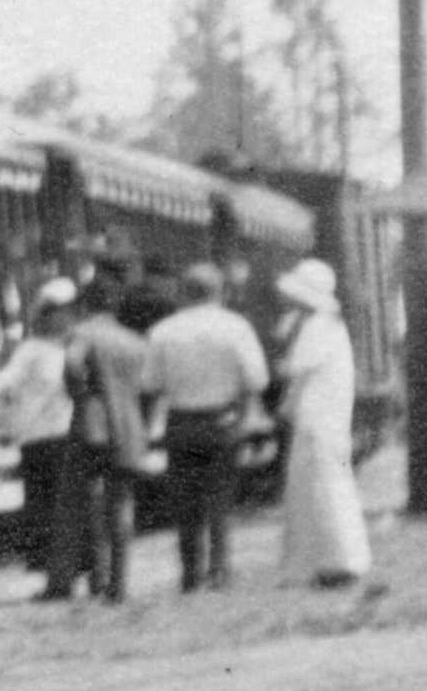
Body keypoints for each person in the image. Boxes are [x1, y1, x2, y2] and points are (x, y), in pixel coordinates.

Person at [142, 262, 270, 593]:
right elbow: (257, 378)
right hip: (223, 420)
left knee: (185, 501)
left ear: (184, 292)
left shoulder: (163, 331)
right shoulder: (235, 327)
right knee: (219, 498)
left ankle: (190, 572)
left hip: (181, 421)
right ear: (220, 291)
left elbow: (151, 382)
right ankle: (219, 569)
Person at [266, 257, 372, 590]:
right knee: (320, 488)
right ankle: (329, 560)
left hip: (317, 420)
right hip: (322, 419)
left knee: (323, 488)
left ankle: (337, 561)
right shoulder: (326, 323)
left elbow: (292, 371)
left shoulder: (318, 327)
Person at [0, 278, 88, 600]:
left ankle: (75, 577)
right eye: (56, 310)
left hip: (70, 436)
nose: (64, 316)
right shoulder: (31, 350)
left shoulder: (77, 345)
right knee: (48, 513)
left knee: (70, 512)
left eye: (68, 310)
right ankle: (58, 582)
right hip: (40, 441)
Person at [56, 275, 156, 603]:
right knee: (121, 502)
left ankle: (97, 577)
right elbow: (150, 387)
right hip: (128, 427)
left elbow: (72, 361)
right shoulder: (134, 341)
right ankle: (119, 583)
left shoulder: (83, 332)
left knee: (91, 502)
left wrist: (78, 392)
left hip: (92, 424)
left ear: (85, 304)